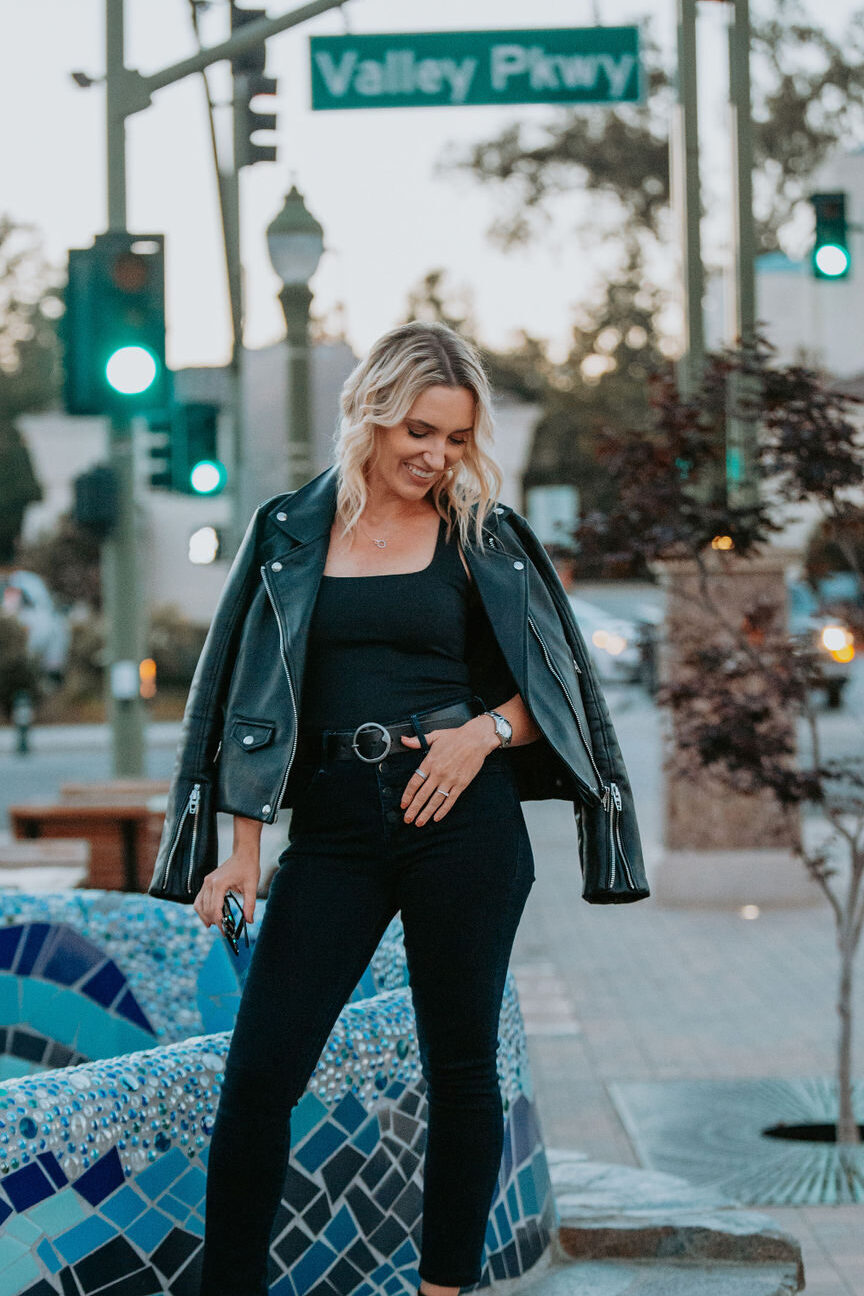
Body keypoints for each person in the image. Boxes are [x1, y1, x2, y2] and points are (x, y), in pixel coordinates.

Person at [149, 319, 647, 1295]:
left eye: (457, 439)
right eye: (420, 431)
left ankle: (443, 1290)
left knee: (460, 1071)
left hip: (462, 823)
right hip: (334, 829)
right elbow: (246, 695)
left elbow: (557, 695)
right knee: (259, 1078)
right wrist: (240, 849)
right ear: (371, 414)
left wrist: (481, 735)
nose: (437, 456)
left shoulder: (484, 539)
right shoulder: (290, 531)